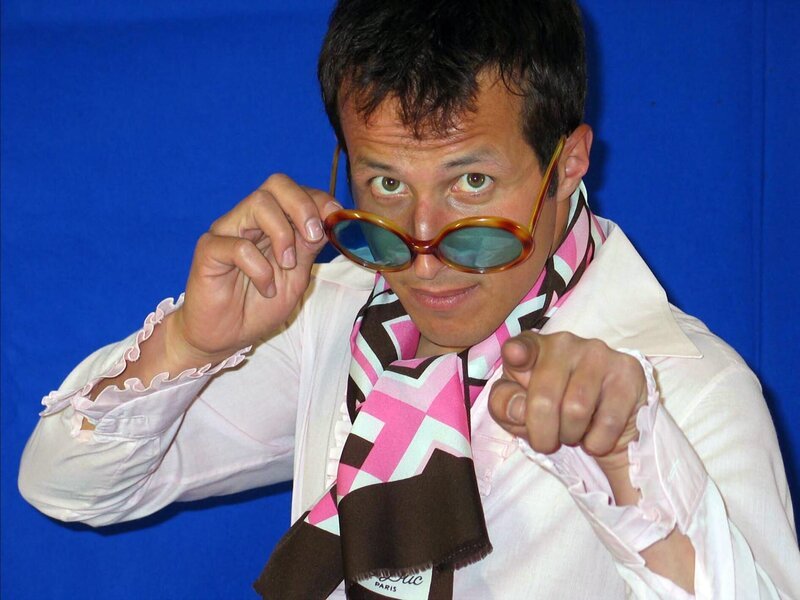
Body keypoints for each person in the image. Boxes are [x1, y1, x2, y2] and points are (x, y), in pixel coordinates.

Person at [17, 0, 800, 598]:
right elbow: (64, 486)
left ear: (568, 165)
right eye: (387, 183)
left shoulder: (688, 389)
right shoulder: (333, 317)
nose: (422, 249)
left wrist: (631, 461)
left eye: (471, 182)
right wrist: (191, 342)